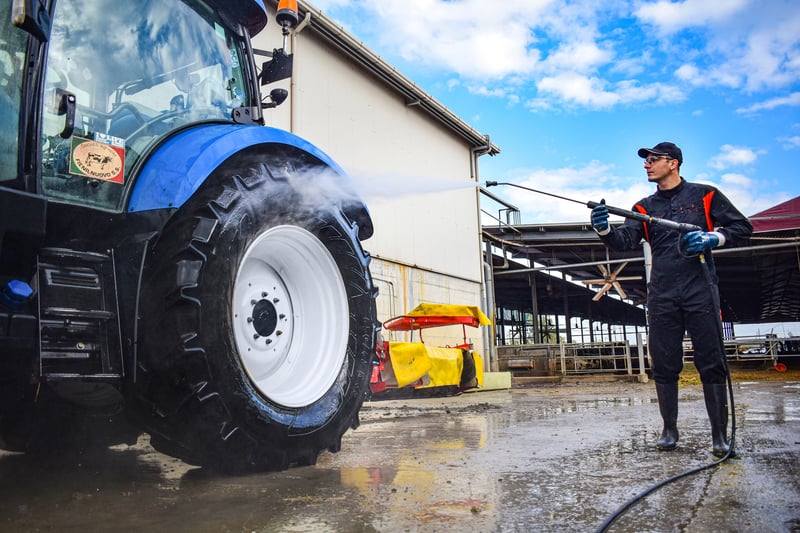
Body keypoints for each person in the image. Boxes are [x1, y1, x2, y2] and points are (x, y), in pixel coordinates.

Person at [590, 141, 752, 457]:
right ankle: (669, 430)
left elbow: (742, 227)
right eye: (646, 160)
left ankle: (719, 436)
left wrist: (713, 237)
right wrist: (604, 230)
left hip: (701, 289)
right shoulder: (642, 207)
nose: (647, 165)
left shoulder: (705, 195)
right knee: (664, 364)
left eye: (653, 160)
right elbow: (624, 242)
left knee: (711, 361)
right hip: (662, 293)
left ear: (673, 163)